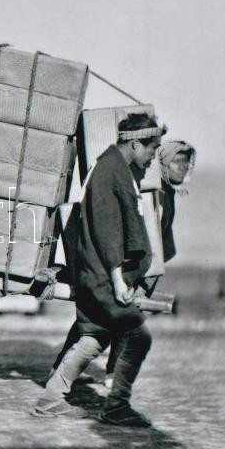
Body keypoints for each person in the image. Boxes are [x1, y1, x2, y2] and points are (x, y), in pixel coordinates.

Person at [31, 113, 165, 427]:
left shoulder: (114, 167)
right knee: (137, 336)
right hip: (105, 275)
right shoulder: (111, 171)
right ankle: (116, 406)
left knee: (95, 335)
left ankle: (51, 398)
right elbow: (107, 231)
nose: (152, 158)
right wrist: (119, 279)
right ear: (134, 143)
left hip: (99, 272)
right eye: (151, 150)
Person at [49, 139, 196, 387]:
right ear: (163, 163)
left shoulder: (168, 193)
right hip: (130, 266)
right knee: (102, 318)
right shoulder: (152, 191)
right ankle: (65, 371)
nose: (182, 168)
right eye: (176, 162)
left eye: (186, 163)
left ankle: (103, 371)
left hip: (147, 269)